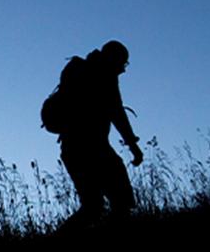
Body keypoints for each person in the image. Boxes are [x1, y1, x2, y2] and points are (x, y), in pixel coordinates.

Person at [56, 40, 144, 231]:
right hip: (92, 149)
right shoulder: (104, 75)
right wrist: (134, 146)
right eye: (123, 63)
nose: (123, 69)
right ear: (114, 59)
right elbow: (117, 113)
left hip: (73, 149)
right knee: (118, 203)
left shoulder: (78, 69)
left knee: (93, 208)